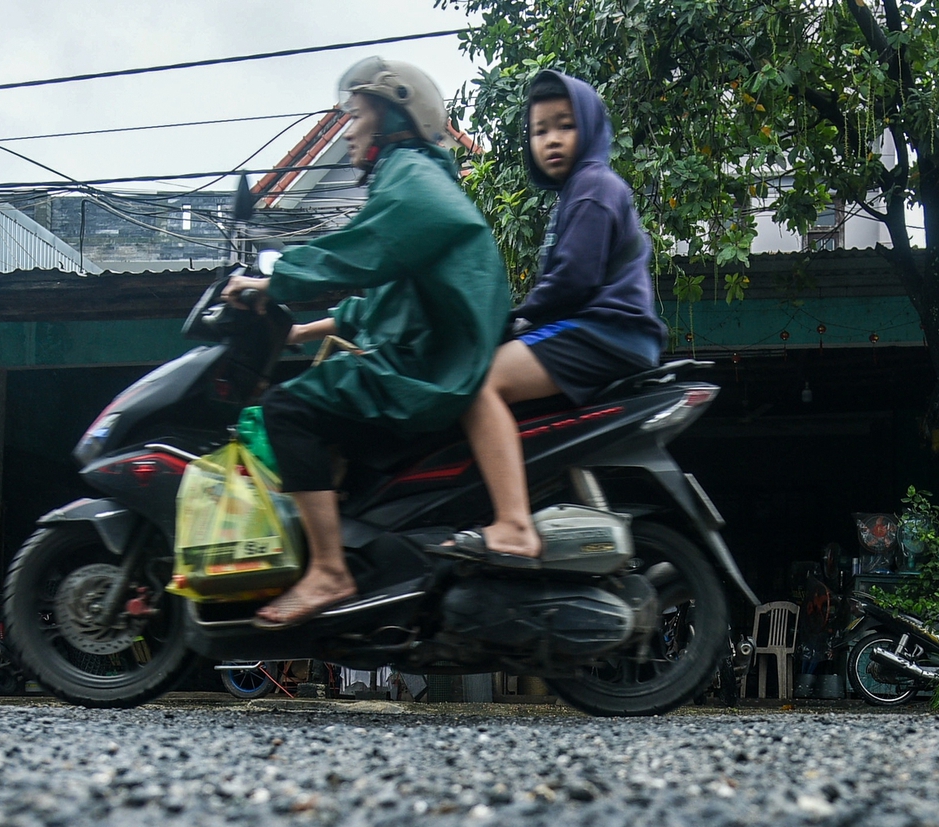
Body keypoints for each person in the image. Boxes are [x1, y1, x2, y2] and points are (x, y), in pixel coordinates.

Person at [224, 56, 509, 626]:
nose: (350, 128)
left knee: (287, 409)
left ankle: (330, 570)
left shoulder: (412, 179)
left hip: (425, 370)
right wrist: (306, 328)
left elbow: (361, 250)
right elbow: (382, 301)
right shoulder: (417, 181)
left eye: (356, 115)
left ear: (392, 116)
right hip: (422, 358)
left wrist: (272, 280)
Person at [442, 70, 666, 566]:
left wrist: (515, 320)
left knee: (479, 385)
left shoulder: (591, 187)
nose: (552, 140)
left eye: (564, 125)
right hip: (606, 329)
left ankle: (515, 524)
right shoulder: (579, 191)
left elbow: (572, 282)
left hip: (606, 330)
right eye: (540, 130)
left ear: (588, 127)